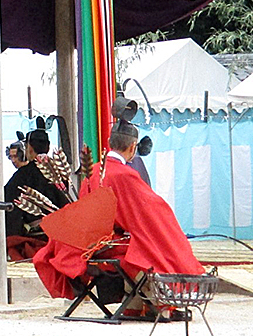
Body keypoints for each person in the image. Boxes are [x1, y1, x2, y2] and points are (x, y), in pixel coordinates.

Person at [33, 120, 204, 302]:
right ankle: (156, 300)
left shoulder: (93, 172)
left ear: (109, 141)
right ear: (133, 147)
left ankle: (136, 304)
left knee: (140, 244)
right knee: (154, 245)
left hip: (86, 244)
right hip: (106, 244)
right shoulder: (125, 175)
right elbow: (152, 213)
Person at [4, 126, 70, 238]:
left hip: (36, 235)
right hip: (61, 232)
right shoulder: (60, 170)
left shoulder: (23, 174)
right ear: (48, 147)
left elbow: (8, 199)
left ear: (29, 148)